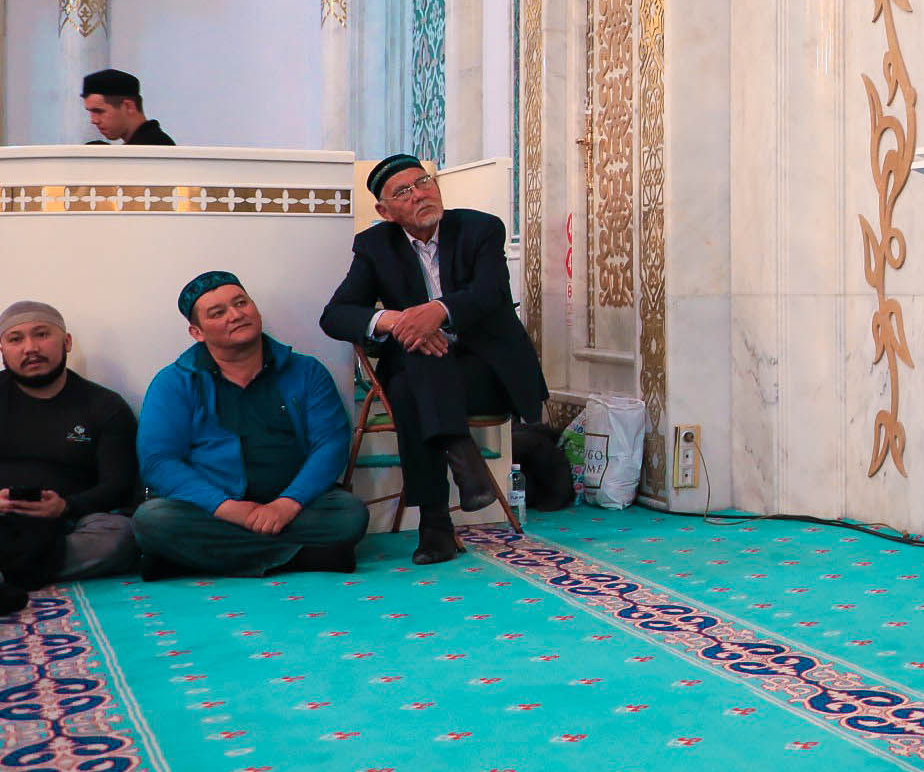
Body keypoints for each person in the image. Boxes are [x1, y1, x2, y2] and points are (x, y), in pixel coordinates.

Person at [320, 156, 548, 565]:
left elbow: (490, 292)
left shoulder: (480, 228)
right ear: (385, 211)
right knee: (418, 367)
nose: (419, 194)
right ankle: (460, 459)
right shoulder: (375, 246)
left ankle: (435, 523)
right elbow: (335, 315)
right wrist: (396, 321)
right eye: (403, 192)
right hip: (426, 380)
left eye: (423, 182)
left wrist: (437, 312)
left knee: (413, 376)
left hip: (485, 373)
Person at [133, 272, 366, 578]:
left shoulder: (306, 371)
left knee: (349, 514)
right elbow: (159, 462)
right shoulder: (173, 382)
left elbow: (331, 444)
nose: (235, 315)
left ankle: (193, 559)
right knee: (152, 520)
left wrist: (286, 504)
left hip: (292, 505)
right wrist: (229, 508)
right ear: (197, 332)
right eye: (218, 313)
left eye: (241, 303)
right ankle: (303, 557)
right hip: (213, 510)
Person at [0, 302, 140, 608]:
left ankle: (8, 574)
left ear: (66, 342)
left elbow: (118, 485)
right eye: (15, 339)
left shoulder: (105, 406)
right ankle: (24, 570)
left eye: (41, 334)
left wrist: (65, 506)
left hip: (68, 523)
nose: (30, 348)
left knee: (121, 535)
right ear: (2, 349)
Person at [81, 69, 175, 145]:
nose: (94, 120)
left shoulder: (153, 149)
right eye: (90, 111)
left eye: (99, 111)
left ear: (129, 106)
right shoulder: (147, 146)